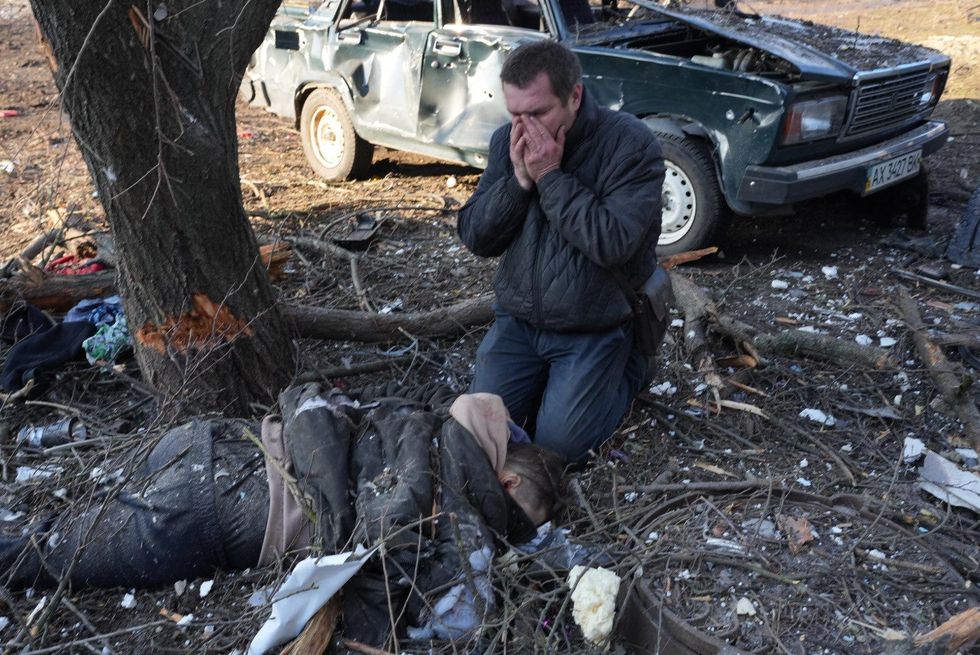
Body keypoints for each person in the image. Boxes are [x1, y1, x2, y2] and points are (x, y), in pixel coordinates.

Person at [0, 383, 566, 646]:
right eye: (515, 516)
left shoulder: (419, 418)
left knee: (63, 517)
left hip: (219, 439)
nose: (506, 529)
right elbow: (404, 570)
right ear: (506, 480)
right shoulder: (459, 498)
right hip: (220, 509)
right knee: (39, 553)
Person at [457, 40, 665, 463]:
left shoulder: (630, 146)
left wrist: (550, 176)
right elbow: (477, 237)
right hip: (518, 320)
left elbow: (613, 244)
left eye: (537, 113)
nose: (524, 127)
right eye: (515, 113)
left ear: (574, 96)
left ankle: (631, 371)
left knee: (560, 450)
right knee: (478, 434)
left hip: (594, 323)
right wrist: (517, 183)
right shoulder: (506, 143)